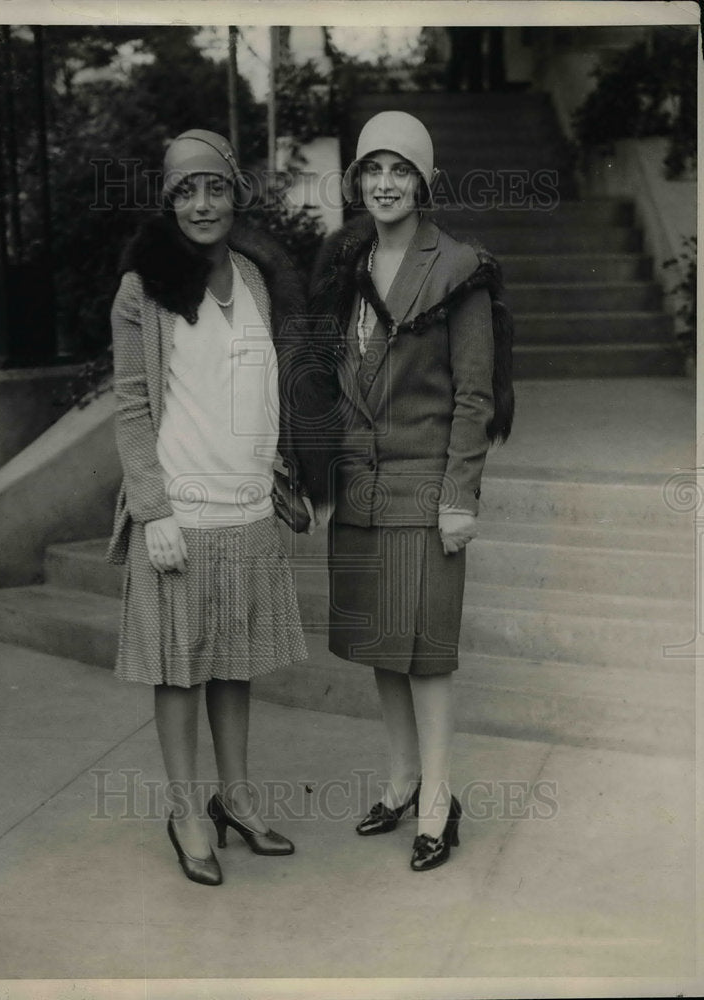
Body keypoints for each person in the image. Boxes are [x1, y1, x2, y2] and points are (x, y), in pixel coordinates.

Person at [106, 129, 319, 886]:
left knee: (235, 666)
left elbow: (258, 389)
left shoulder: (256, 280)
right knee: (179, 672)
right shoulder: (143, 289)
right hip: (179, 513)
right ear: (168, 202)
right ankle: (186, 809)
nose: (202, 204)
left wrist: (281, 471)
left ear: (236, 194)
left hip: (246, 504)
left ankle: (236, 798)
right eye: (185, 191)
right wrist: (152, 508)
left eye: (215, 188)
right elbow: (132, 408)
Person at [306, 111, 513, 872]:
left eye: (400, 169)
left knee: (425, 654)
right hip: (360, 487)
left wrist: (460, 494)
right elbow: (326, 382)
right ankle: (399, 781)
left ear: (423, 181)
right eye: (372, 169)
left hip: (426, 488)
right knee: (379, 649)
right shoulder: (345, 267)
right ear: (357, 179)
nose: (385, 183)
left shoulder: (457, 266)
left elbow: (473, 396)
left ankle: (437, 800)